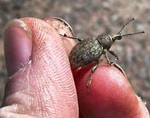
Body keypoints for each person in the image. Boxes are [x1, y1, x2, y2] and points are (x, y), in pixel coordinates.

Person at [0, 17, 149, 118]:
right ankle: (89, 77)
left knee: (93, 60)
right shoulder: (101, 50)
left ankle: (67, 39)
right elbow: (106, 57)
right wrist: (110, 62)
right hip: (77, 60)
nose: (115, 38)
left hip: (78, 56)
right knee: (97, 65)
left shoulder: (93, 42)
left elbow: (88, 46)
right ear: (107, 44)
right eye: (113, 38)